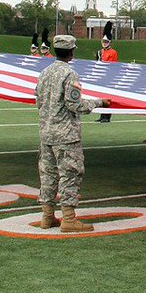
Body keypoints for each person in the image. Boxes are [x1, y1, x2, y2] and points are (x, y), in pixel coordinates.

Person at [33, 34, 100, 232]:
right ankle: (69, 218)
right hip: (66, 135)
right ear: (71, 51)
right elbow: (75, 104)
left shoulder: (44, 73)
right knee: (70, 174)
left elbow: (38, 100)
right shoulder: (70, 74)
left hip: (46, 133)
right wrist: (98, 103)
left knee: (48, 175)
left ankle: (47, 216)